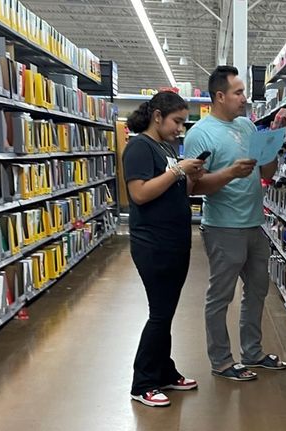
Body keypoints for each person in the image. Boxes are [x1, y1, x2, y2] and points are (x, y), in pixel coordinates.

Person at [185, 66, 286, 381]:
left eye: (243, 91)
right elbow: (192, 188)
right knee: (221, 296)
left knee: (257, 290)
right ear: (219, 96)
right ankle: (221, 361)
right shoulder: (199, 134)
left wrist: (273, 141)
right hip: (222, 227)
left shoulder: (246, 126)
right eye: (238, 92)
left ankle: (253, 353)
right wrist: (230, 173)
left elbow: (267, 172)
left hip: (254, 224)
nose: (244, 98)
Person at [122, 91, 206, 407]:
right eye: (177, 121)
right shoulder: (138, 147)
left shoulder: (165, 147)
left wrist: (189, 175)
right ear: (157, 116)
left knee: (166, 313)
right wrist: (177, 170)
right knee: (159, 314)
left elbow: (174, 190)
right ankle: (142, 381)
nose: (179, 129)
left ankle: (165, 372)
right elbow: (140, 193)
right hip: (152, 244)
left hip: (174, 241)